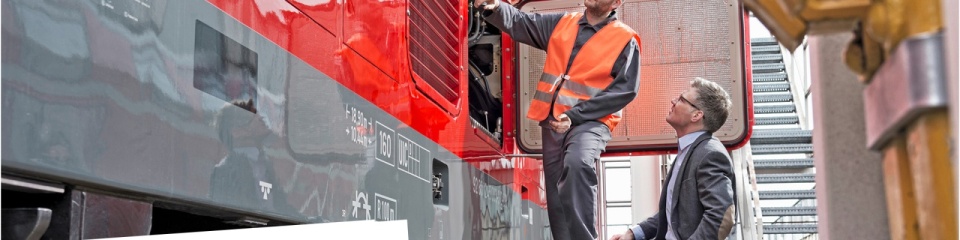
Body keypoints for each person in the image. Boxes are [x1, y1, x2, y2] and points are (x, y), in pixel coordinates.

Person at [475, 0, 641, 239]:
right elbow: (523, 23)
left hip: (592, 123)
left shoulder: (625, 39)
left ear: (616, 2)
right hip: (554, 122)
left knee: (577, 163)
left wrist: (574, 116)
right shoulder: (563, 23)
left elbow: (625, 90)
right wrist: (494, 7)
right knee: (555, 194)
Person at [610, 77, 735, 240]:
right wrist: (635, 233)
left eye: (682, 99)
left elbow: (722, 216)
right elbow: (673, 215)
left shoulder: (709, 154)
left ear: (696, 115)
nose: (673, 101)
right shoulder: (689, 151)